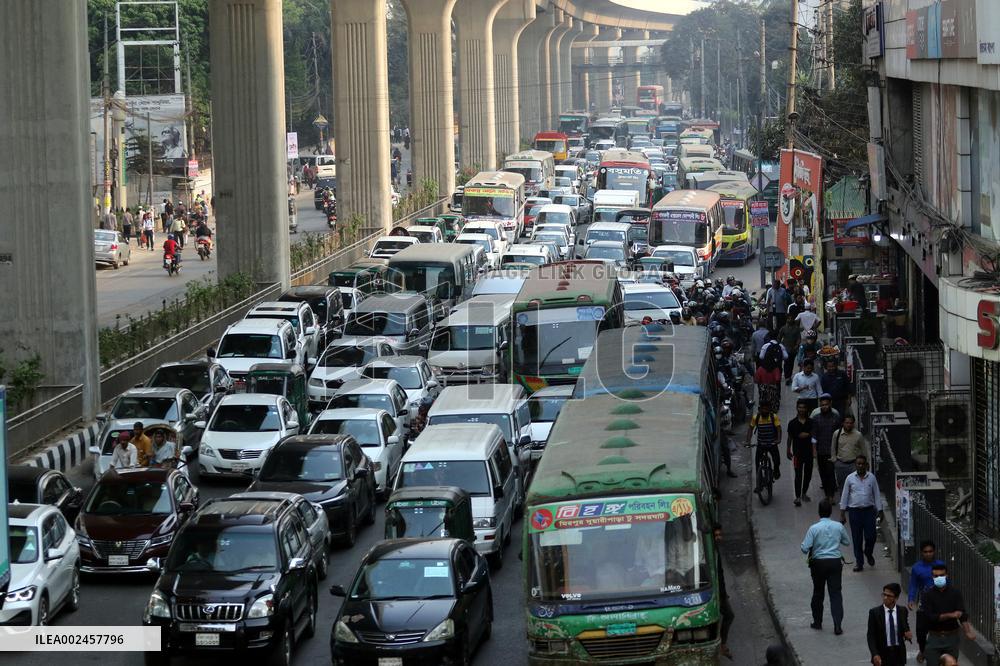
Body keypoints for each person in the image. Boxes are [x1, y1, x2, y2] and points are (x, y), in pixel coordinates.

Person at [801, 499, 850, 634]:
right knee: (835, 594)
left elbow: (805, 548)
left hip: (818, 564)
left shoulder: (813, 528)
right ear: (830, 512)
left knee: (818, 593)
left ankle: (817, 622)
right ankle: (838, 626)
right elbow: (847, 542)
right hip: (835, 562)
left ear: (819, 512)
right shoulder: (838, 526)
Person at [920, 563, 976, 664]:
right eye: (936, 576)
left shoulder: (955, 593)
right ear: (932, 577)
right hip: (934, 638)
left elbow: (961, 614)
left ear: (946, 576)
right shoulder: (927, 595)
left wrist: (967, 631)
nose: (939, 578)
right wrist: (951, 615)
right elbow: (931, 617)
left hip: (952, 638)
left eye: (941, 575)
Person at [840, 455, 883, 571]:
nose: (860, 466)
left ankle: (868, 553)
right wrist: (842, 513)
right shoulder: (849, 478)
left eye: (862, 464)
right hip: (854, 512)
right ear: (855, 465)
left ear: (866, 465)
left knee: (871, 536)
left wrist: (880, 510)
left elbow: (877, 494)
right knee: (857, 538)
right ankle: (859, 563)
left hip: (869, 511)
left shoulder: (872, 478)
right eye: (858, 464)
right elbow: (844, 496)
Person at [909, 540, 945, 662]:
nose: (928, 554)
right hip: (923, 604)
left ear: (934, 552)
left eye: (930, 551)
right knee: (921, 632)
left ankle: (938, 654)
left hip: (939, 603)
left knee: (938, 630)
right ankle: (923, 650)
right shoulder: (916, 568)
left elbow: (947, 582)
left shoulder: (940, 565)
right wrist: (911, 599)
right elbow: (913, 585)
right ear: (921, 553)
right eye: (925, 552)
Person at [867, 582, 912, 666]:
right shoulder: (874, 613)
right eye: (884, 594)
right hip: (882, 654)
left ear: (896, 598)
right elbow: (871, 636)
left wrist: (907, 635)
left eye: (889, 596)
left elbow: (905, 628)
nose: (885, 597)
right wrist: (875, 654)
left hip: (898, 654)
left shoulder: (902, 611)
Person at [811, 394, 843, 502]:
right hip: (820, 451)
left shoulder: (836, 418)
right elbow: (814, 436)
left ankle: (831, 496)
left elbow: (840, 434)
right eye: (822, 404)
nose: (824, 406)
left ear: (830, 404)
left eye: (826, 404)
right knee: (823, 474)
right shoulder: (816, 418)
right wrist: (814, 450)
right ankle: (826, 494)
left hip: (832, 451)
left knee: (830, 473)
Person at [833, 415, 869, 504]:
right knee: (842, 484)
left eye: (850, 423)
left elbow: (863, 449)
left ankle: (854, 502)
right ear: (843, 423)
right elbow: (833, 448)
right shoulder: (837, 434)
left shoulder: (858, 435)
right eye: (847, 423)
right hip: (840, 464)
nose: (848, 425)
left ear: (853, 424)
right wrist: (835, 460)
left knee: (854, 484)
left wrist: (866, 463)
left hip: (854, 464)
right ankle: (844, 503)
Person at [747, 401, 782, 492]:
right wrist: (748, 441)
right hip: (761, 444)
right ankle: (759, 485)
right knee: (757, 463)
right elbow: (750, 429)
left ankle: (776, 470)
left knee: (777, 460)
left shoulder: (773, 417)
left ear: (770, 409)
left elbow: (778, 429)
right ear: (760, 409)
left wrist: (778, 439)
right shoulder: (756, 417)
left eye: (767, 409)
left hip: (771, 444)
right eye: (763, 409)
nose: (765, 411)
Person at [713, 523, 735, 660]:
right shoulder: (710, 551)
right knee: (729, 615)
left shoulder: (715, 550)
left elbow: (720, 574)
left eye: (720, 535)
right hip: (716, 592)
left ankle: (721, 644)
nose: (719, 537)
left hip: (720, 591)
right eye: (716, 535)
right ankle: (721, 645)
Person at [787, 399, 815, 506]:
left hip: (809, 453)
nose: (802, 409)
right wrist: (788, 450)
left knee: (808, 474)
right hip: (797, 453)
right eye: (800, 407)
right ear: (797, 408)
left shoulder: (811, 422)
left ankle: (804, 493)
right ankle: (798, 497)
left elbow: (814, 435)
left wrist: (808, 435)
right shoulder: (792, 423)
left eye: (803, 407)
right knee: (798, 475)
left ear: (807, 409)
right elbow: (790, 438)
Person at [778, 319, 802, 386]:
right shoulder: (783, 328)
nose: (789, 320)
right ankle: (787, 377)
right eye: (788, 318)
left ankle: (789, 376)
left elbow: (799, 338)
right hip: (785, 349)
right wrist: (780, 346)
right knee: (786, 363)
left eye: (791, 318)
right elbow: (779, 338)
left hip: (793, 349)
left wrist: (797, 345)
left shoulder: (796, 329)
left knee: (791, 364)